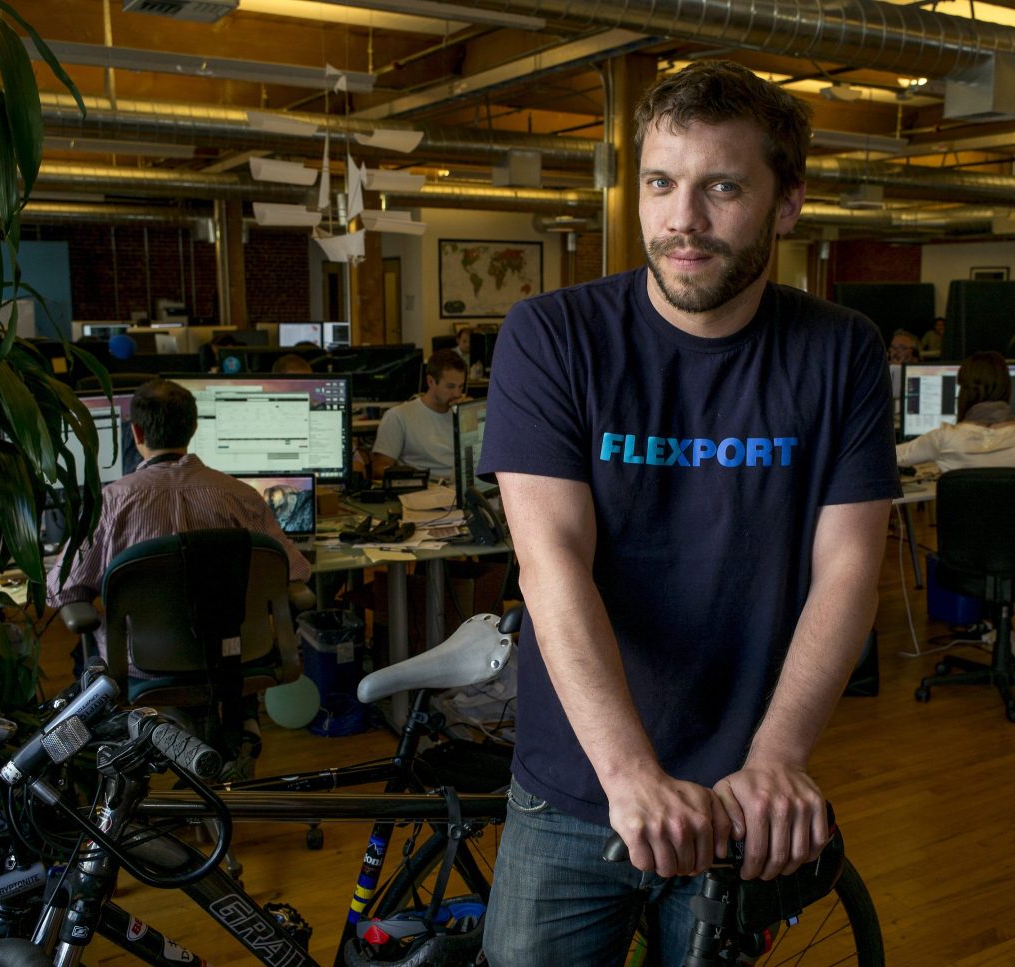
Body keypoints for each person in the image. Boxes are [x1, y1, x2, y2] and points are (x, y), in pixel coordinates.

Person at [477, 60, 899, 964]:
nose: (682, 219)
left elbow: (849, 569)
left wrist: (779, 756)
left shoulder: (841, 352)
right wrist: (629, 773)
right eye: (661, 183)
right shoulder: (553, 336)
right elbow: (551, 562)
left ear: (787, 204)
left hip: (743, 796)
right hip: (575, 786)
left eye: (723, 188)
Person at [47, 378, 313, 667]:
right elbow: (293, 572)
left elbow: (62, 588)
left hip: (139, 666)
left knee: (83, 659)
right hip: (235, 659)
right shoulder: (242, 497)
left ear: (136, 432)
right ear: (193, 428)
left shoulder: (109, 504)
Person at [894, 351, 1015, 680]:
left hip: (964, 564)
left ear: (963, 390)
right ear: (1008, 390)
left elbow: (890, 456)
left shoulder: (944, 438)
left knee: (988, 544)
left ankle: (998, 630)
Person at [370, 348, 467, 481]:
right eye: (450, 386)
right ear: (430, 381)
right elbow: (379, 469)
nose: (457, 394)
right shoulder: (398, 416)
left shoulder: (463, 413)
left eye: (461, 386)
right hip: (426, 488)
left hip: (461, 487)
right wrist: (415, 480)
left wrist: (471, 415)